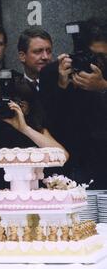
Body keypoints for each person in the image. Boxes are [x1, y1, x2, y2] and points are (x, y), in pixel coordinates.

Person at [40, 17, 107, 188]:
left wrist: (102, 87)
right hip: (68, 162)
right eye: (96, 55)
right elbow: (47, 121)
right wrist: (62, 85)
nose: (100, 61)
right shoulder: (52, 72)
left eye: (104, 56)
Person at [0, 79, 68, 188]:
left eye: (17, 104)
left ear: (28, 107)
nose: (9, 108)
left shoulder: (36, 128)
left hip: (32, 190)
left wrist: (24, 128)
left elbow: (63, 155)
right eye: (4, 104)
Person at [17, 27, 53, 92]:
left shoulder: (61, 85)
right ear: (22, 56)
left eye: (49, 51)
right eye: (38, 51)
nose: (45, 57)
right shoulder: (12, 88)